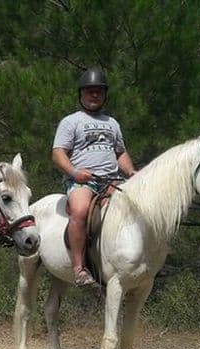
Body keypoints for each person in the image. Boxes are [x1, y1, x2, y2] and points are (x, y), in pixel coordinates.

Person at [52, 67, 137, 287]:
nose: (95, 95)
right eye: (90, 91)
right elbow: (58, 153)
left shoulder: (112, 123)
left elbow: (120, 152)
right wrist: (74, 172)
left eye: (99, 91)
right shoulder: (71, 121)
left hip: (112, 180)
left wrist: (131, 172)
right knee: (80, 212)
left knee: (136, 207)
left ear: (105, 95)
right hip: (83, 181)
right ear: (81, 93)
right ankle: (79, 268)